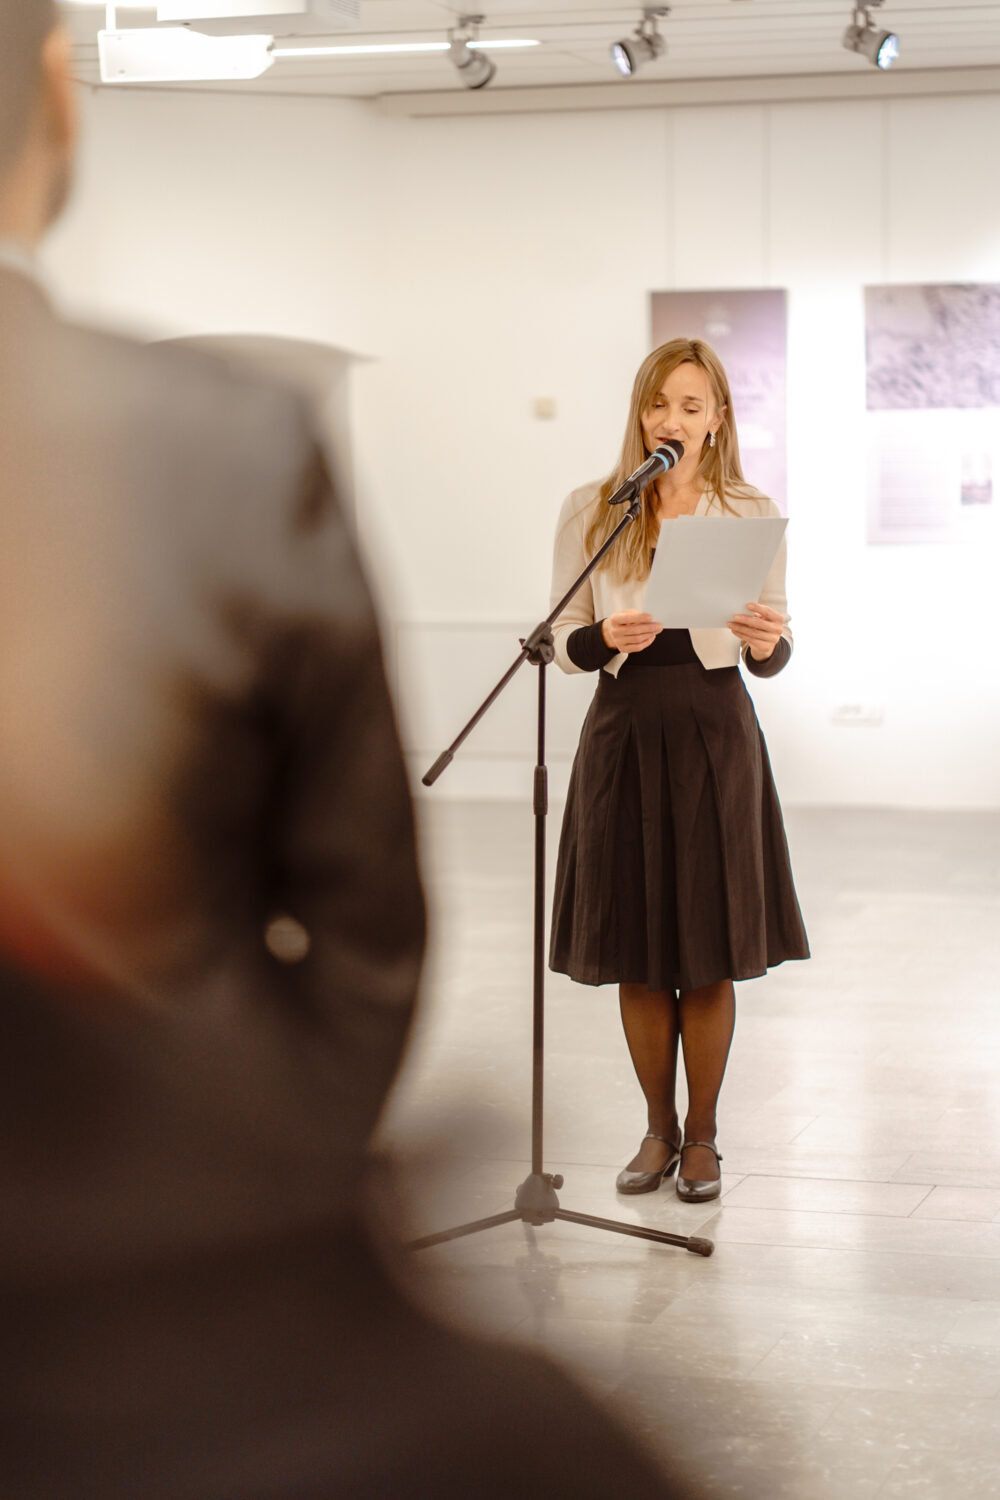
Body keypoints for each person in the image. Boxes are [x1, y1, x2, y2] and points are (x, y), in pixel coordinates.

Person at [0, 9, 701, 1497]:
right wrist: (266, 1180)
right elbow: (367, 923)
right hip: (173, 1249)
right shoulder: (220, 440)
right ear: (60, 89)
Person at [549, 339, 810, 1203]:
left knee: (705, 946)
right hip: (623, 728)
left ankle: (703, 1138)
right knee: (637, 944)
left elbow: (771, 645)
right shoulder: (594, 507)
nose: (672, 420)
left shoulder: (749, 510)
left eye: (691, 406)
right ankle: (656, 1130)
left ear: (717, 420)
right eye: (659, 403)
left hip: (713, 729)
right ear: (641, 411)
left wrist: (767, 643)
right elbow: (561, 637)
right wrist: (600, 637)